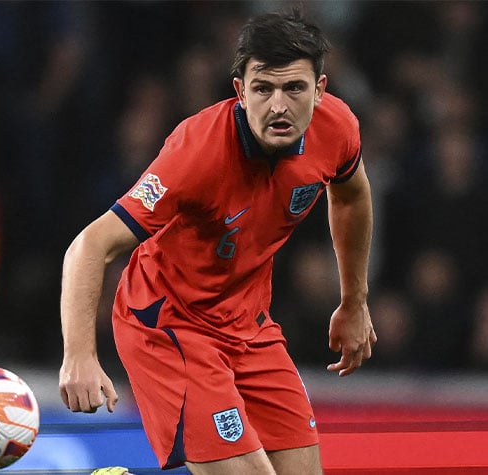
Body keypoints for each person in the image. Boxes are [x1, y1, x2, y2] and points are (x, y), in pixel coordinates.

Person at [59, 9, 375, 475]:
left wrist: (354, 301)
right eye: (263, 89)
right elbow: (90, 244)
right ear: (240, 91)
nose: (279, 106)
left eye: (295, 89)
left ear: (321, 90)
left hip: (250, 324)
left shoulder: (338, 128)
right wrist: (80, 355)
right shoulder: (196, 152)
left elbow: (351, 196)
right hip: (169, 327)